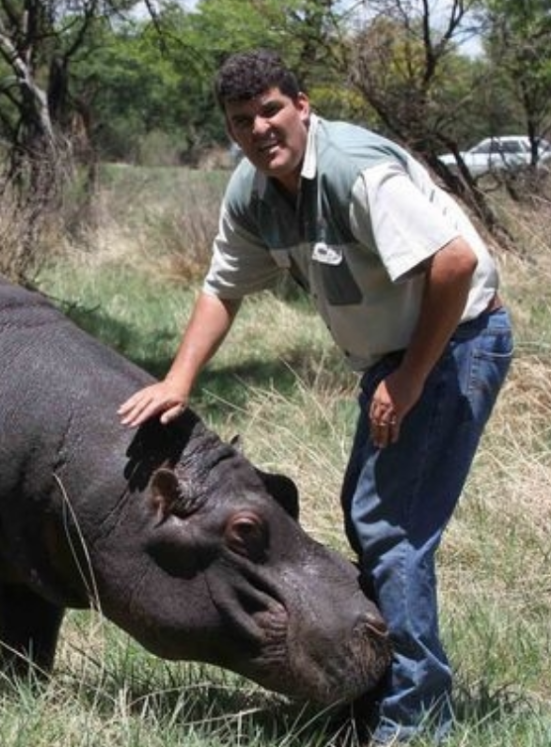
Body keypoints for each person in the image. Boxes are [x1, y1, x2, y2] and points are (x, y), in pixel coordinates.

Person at [117, 50, 513, 745]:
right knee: (372, 521)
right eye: (243, 120)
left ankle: (412, 718)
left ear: (302, 105)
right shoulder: (253, 189)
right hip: (398, 357)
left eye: (271, 109)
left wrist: (412, 376)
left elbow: (457, 263)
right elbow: (223, 287)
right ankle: (378, 687)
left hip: (455, 345)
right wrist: (179, 379)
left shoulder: (352, 171)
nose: (260, 128)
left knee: (389, 529)